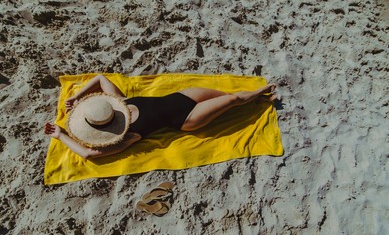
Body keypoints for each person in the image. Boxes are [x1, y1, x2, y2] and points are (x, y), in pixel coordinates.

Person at [45, 74, 276, 159]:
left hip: (182, 97)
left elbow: (99, 78)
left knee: (226, 96)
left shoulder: (119, 103)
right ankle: (259, 96)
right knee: (232, 100)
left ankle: (255, 99)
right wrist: (60, 135)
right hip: (188, 119)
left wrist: (77, 97)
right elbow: (89, 153)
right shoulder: (129, 135)